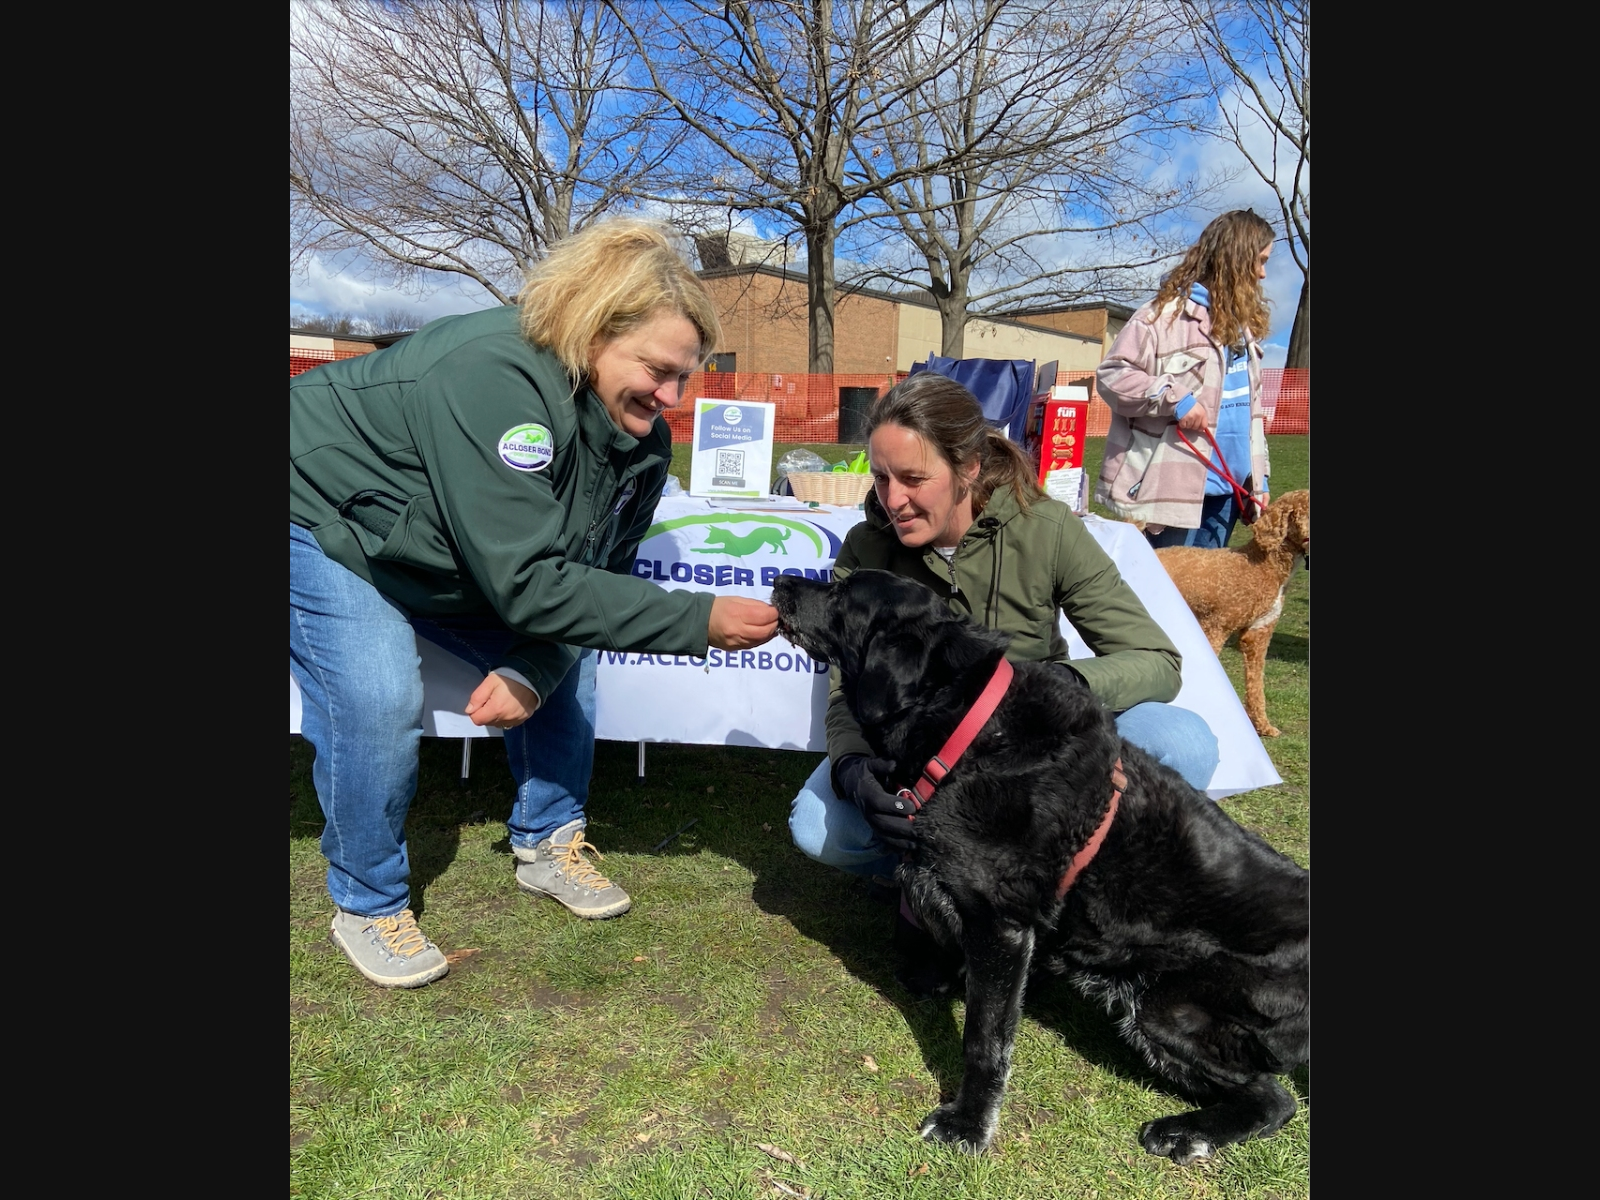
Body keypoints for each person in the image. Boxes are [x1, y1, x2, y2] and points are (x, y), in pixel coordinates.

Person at [291, 219, 778, 989]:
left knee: (565, 670)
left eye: (688, 375)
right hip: (327, 519)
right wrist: (699, 621)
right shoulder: (495, 378)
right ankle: (368, 900)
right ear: (593, 330)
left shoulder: (643, 441)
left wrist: (532, 666)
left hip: (447, 549)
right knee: (376, 691)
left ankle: (549, 840)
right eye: (658, 369)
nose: (673, 396)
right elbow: (530, 584)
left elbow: (595, 582)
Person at [787, 372, 1220, 914]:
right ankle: (946, 880)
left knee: (1186, 745)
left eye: (913, 478)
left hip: (1039, 751)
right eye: (880, 478)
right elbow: (842, 688)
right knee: (820, 828)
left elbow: (1157, 661)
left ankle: (1055, 878)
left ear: (968, 467)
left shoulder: (1046, 528)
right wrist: (851, 768)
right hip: (924, 760)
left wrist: (1061, 685)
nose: (893, 499)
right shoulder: (866, 549)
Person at [1096, 209, 1274, 550]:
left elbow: (1253, 416)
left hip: (1229, 497)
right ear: (1235, 259)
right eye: (1260, 260)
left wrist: (1259, 479)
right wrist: (1174, 398)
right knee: (1162, 600)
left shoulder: (1244, 330)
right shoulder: (1159, 317)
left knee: (1204, 604)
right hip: (1171, 498)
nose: (1263, 274)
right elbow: (1112, 375)